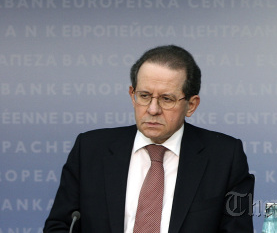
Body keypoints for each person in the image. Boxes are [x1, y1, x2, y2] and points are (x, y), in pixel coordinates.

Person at [44, 45, 254, 232]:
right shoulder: (90, 149)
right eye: (144, 96)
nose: (152, 110)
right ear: (131, 95)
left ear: (191, 105)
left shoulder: (225, 158)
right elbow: (60, 225)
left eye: (166, 99)